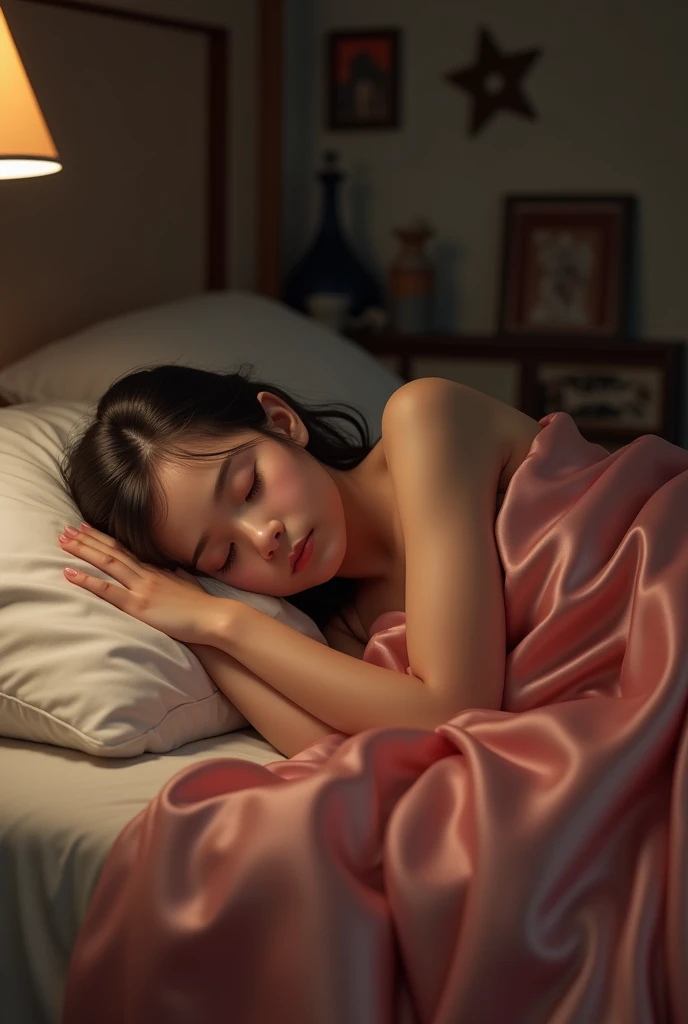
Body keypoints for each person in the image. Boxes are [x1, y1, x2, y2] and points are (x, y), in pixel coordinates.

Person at [58, 364, 542, 757]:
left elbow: (456, 708)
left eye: (251, 488)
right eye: (224, 556)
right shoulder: (349, 632)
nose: (262, 537)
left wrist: (225, 622)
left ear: (282, 423)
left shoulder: (424, 418)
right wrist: (198, 630)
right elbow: (340, 759)